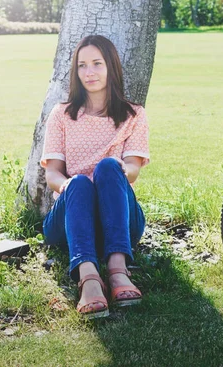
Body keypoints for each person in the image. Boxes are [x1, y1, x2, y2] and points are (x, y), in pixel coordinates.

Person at [40, 35, 150, 319]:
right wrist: (69, 187)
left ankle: (117, 270)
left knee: (108, 167)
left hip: (120, 220)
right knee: (77, 182)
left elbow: (133, 170)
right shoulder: (62, 114)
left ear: (111, 67)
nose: (89, 72)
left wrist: (114, 171)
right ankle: (88, 277)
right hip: (70, 220)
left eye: (97, 64)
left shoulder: (133, 115)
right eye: (82, 66)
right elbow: (52, 172)